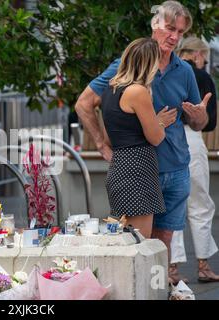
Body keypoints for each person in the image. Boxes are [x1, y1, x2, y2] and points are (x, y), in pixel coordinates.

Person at [75, 1, 212, 285]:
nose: (174, 36)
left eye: (180, 31)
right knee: (139, 246)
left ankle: (157, 290)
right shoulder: (125, 67)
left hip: (175, 169)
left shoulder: (184, 70)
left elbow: (198, 124)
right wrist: (102, 146)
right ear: (155, 26)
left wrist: (200, 117)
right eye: (170, 28)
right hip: (140, 173)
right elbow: (84, 104)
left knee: (161, 244)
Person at [101, 38, 169, 239]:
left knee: (125, 242)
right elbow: (156, 138)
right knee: (139, 245)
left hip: (119, 167)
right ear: (150, 63)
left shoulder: (109, 89)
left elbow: (108, 138)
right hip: (138, 170)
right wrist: (161, 122)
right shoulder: (137, 91)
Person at [170, 37, 219, 282]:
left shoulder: (168, 72)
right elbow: (210, 123)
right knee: (200, 203)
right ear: (199, 55)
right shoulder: (201, 76)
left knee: (172, 202)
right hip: (192, 139)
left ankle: (172, 269)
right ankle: (203, 266)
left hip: (167, 139)